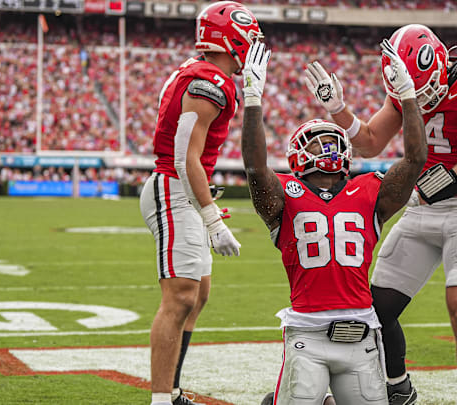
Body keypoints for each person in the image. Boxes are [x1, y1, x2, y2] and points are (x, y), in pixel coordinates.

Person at [304, 24, 457, 405]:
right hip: (422, 209)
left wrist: (421, 191)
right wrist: (338, 111)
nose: (423, 98)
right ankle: (398, 388)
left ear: (442, 63)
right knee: (375, 309)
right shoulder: (403, 91)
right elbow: (369, 142)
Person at [241, 38, 427, 405]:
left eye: (330, 140)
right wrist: (252, 100)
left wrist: (408, 96)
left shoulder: (369, 190)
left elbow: (416, 159)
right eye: (315, 143)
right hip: (306, 335)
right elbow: (254, 166)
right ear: (296, 155)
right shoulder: (285, 194)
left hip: (362, 335)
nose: (325, 148)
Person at [138, 2, 261, 404]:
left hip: (183, 188)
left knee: (199, 293)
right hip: (175, 187)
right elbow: (183, 157)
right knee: (181, 296)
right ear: (229, 38)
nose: (252, 46)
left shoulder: (203, 73)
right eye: (247, 38)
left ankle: (171, 391)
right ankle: (161, 400)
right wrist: (212, 219)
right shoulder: (208, 81)